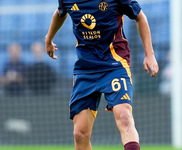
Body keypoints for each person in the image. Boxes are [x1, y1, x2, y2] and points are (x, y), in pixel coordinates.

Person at [45, 0, 159, 150]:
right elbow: (60, 12)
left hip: (115, 64)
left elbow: (140, 16)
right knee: (80, 133)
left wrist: (149, 54)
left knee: (124, 117)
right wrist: (49, 38)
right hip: (85, 69)